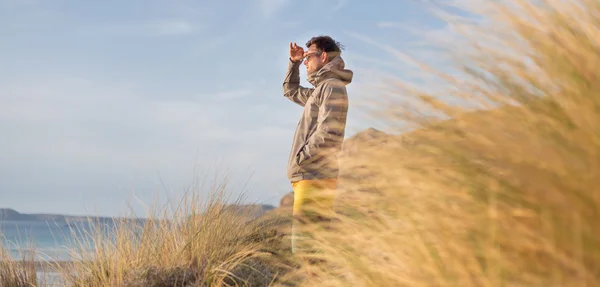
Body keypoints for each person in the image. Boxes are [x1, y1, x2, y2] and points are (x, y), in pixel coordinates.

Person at [283, 35, 353, 254]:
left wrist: (301, 159)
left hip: (315, 177)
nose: (305, 61)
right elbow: (290, 91)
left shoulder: (332, 87)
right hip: (311, 177)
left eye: (308, 56)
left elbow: (328, 133)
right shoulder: (320, 90)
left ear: (323, 57)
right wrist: (293, 63)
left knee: (306, 251)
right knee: (312, 249)